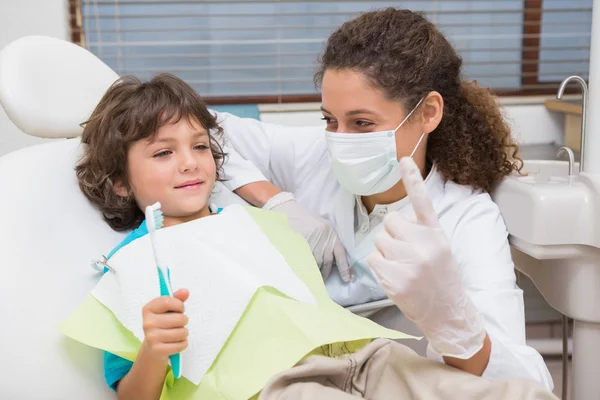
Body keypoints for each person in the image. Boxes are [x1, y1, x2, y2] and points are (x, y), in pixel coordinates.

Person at [74, 73, 558, 400]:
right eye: (163, 154)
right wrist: (155, 350)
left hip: (361, 355)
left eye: (200, 147)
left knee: (510, 394)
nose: (189, 162)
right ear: (120, 181)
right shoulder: (133, 265)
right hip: (276, 385)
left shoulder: (253, 222)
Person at [211, 8, 554, 390]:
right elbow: (193, 125)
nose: (339, 139)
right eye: (329, 119)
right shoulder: (313, 154)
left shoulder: (465, 217)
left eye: (362, 123)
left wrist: (454, 324)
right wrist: (274, 199)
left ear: (428, 113)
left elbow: (527, 385)